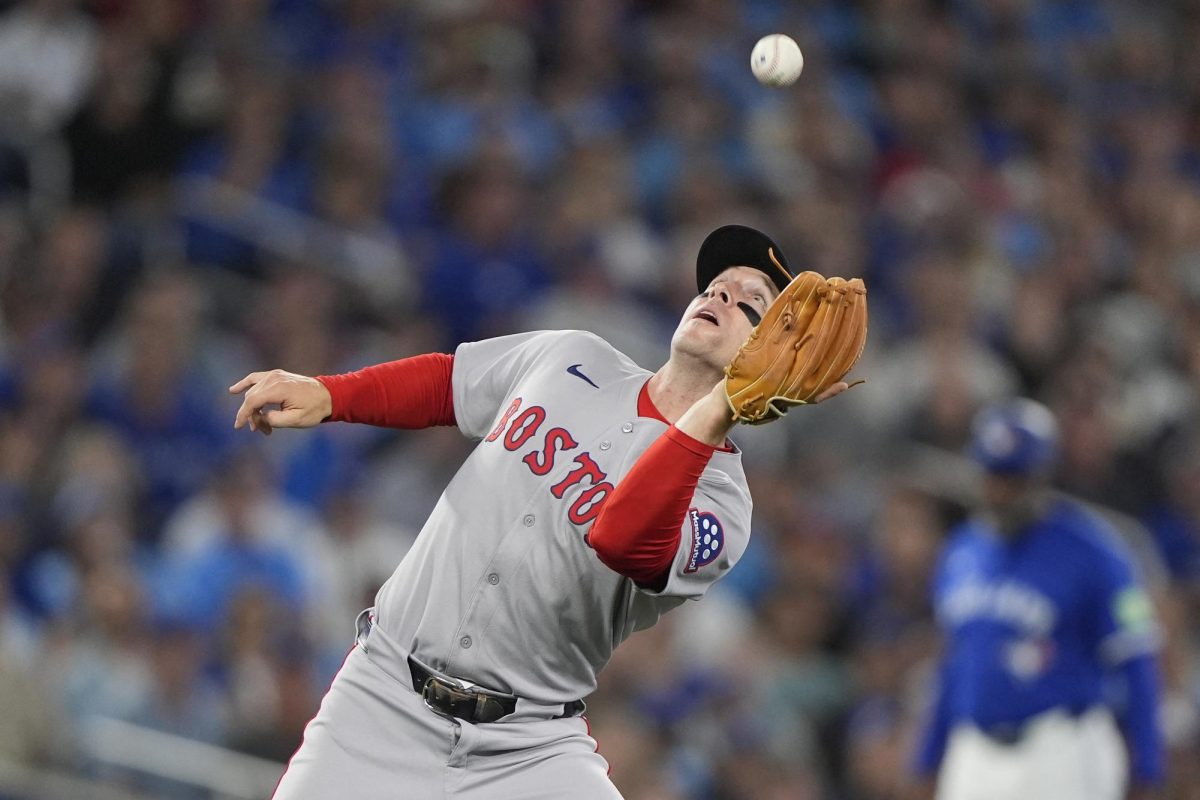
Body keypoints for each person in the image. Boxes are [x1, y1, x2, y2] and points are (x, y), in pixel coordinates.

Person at [229, 225, 851, 799]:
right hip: (381, 695)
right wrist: (333, 394)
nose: (719, 295)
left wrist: (719, 409)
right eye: (715, 286)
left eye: (751, 303)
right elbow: (450, 384)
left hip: (527, 750)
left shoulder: (724, 501)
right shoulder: (574, 356)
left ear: (778, 359)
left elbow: (625, 540)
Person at [912, 398, 1165, 800]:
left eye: (1013, 478)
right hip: (974, 751)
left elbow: (1136, 660)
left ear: (1041, 475)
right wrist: (926, 759)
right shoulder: (962, 551)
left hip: (1062, 749)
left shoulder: (1097, 552)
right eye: (993, 476)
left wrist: (1149, 767)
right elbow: (953, 664)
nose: (1000, 491)